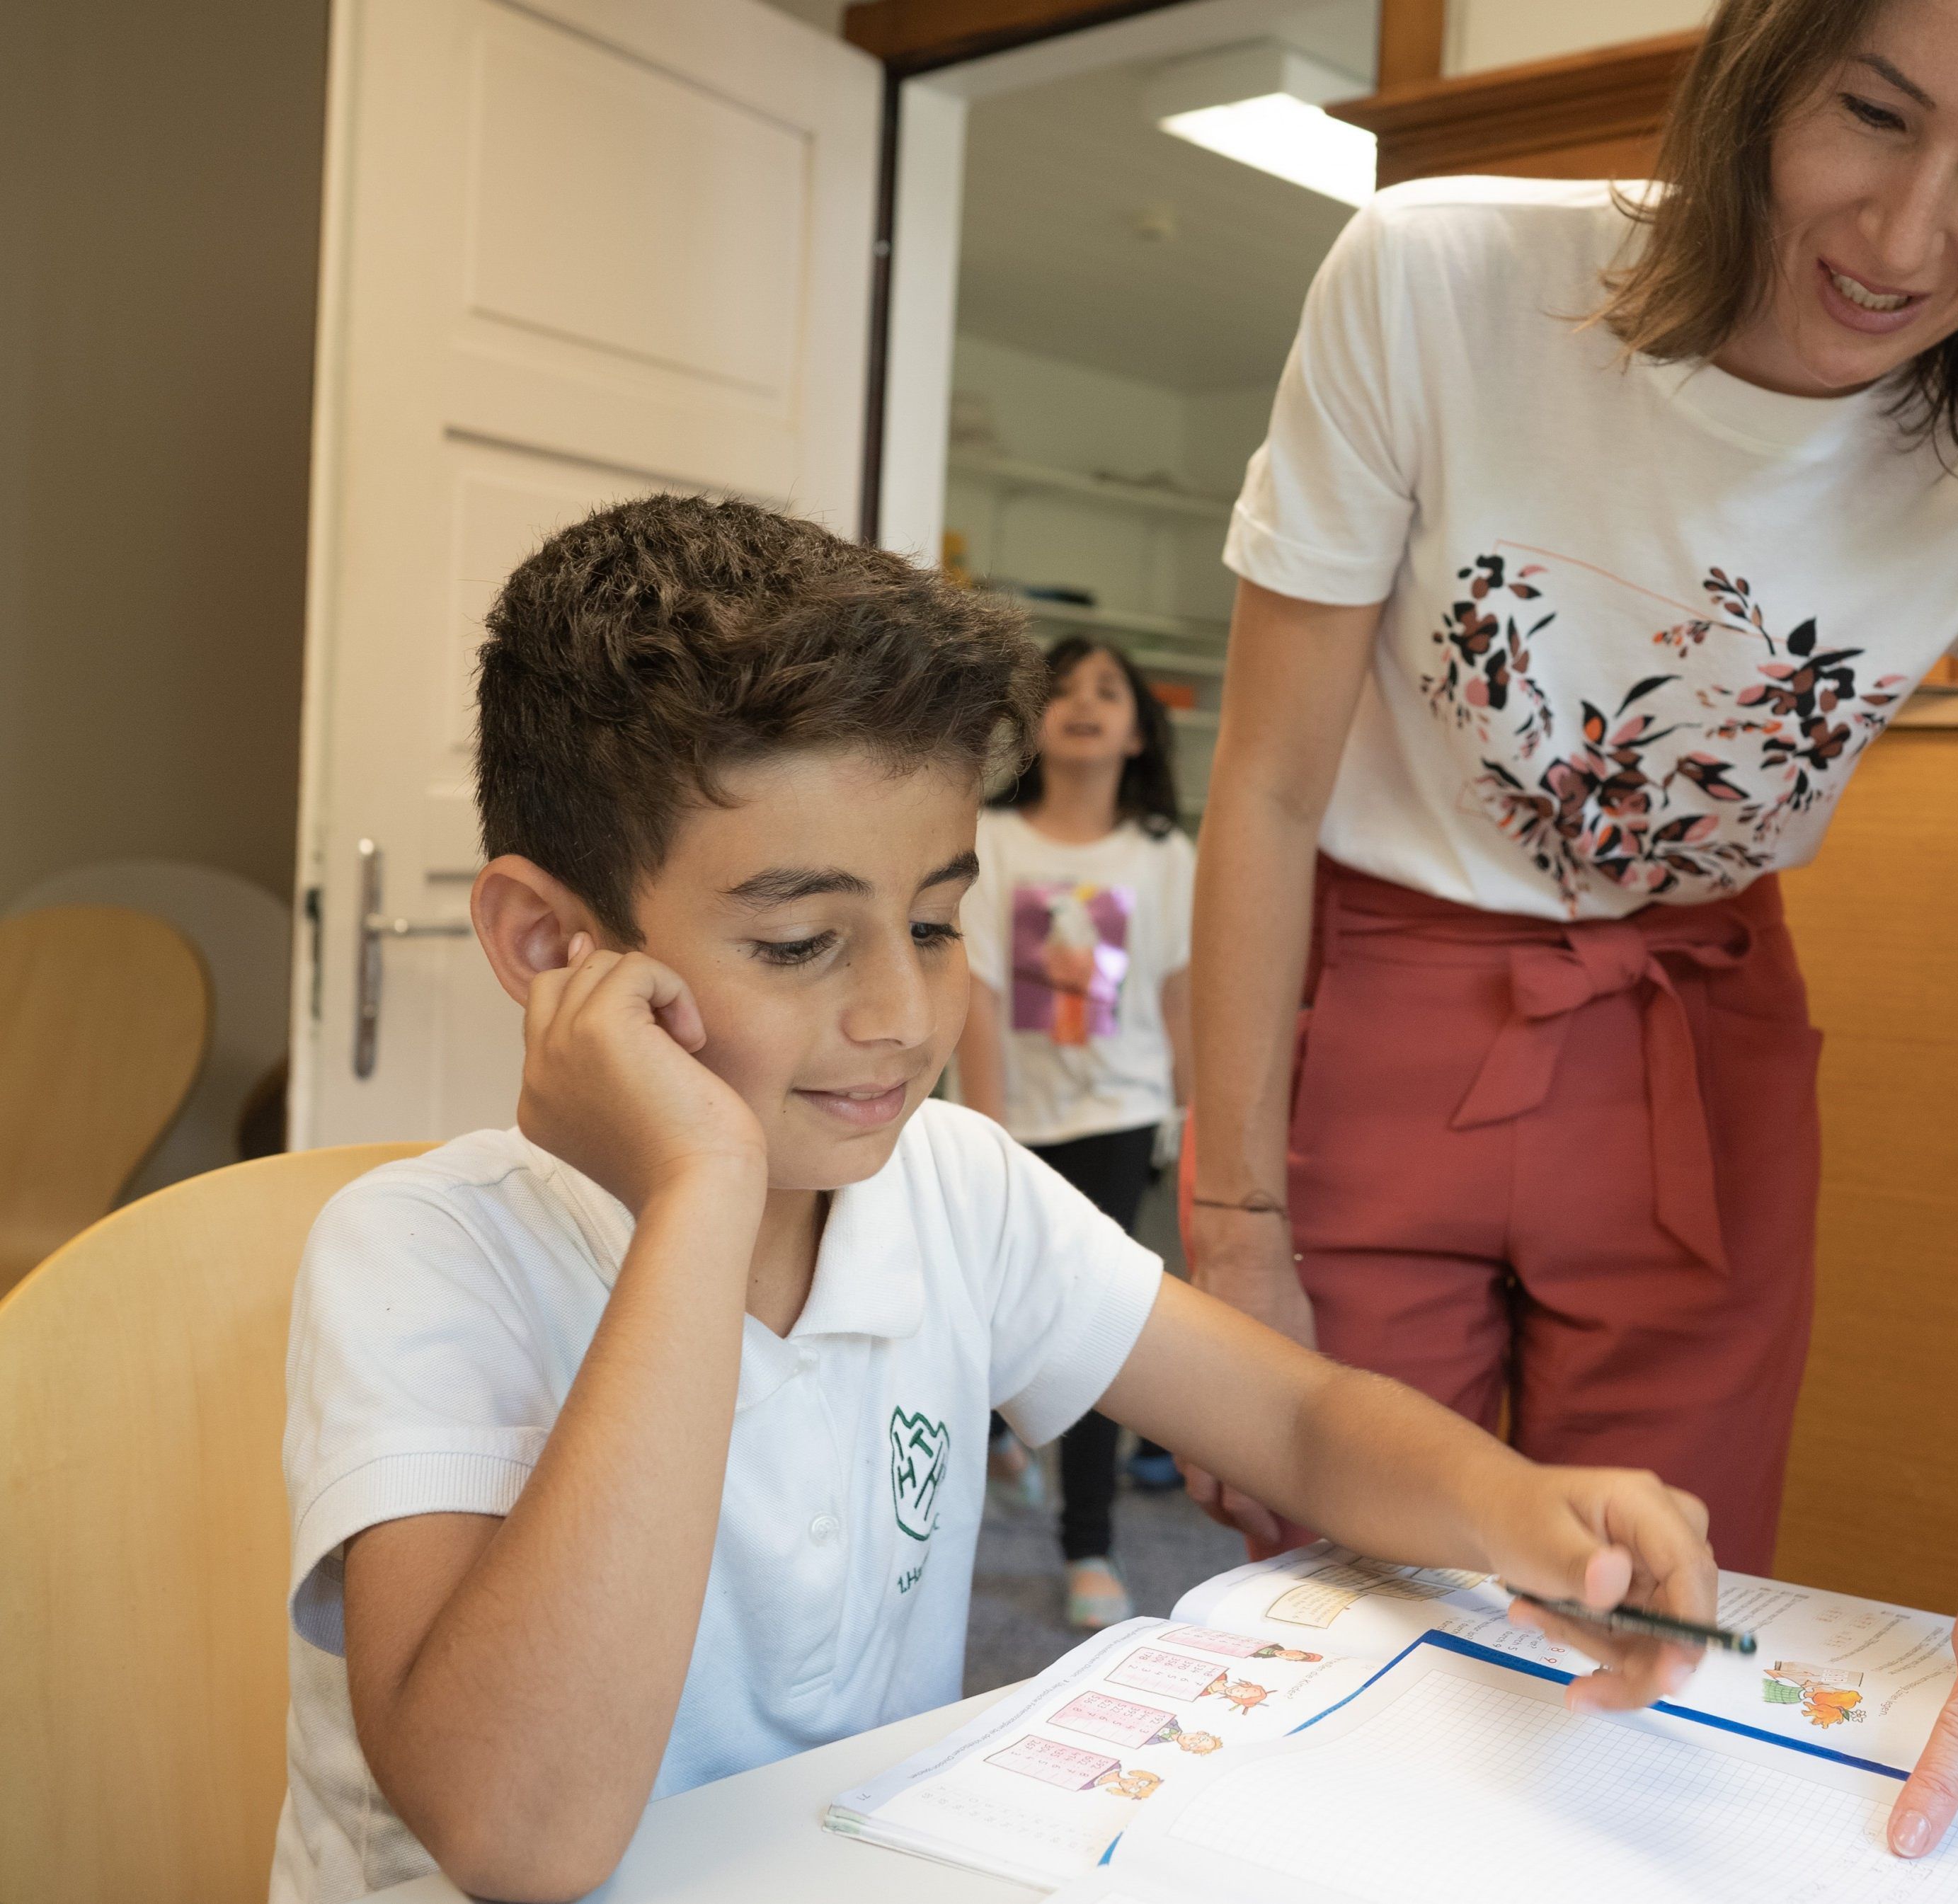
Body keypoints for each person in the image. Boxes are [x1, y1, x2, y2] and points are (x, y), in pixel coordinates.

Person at [268, 496, 1717, 1904]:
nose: (903, 1013)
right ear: (549, 943)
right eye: (795, 942)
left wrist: (1514, 1503)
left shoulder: (951, 1193)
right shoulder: (426, 1255)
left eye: (933, 923)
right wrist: (699, 1193)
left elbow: (1293, 1419)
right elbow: (522, 1839)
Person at [1185, 0, 1958, 1862]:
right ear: (1767, 62)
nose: (1904, 239)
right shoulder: (1438, 281)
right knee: (1359, 1599)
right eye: (1872, 118)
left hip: (1698, 1036)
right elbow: (1262, 786)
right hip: (1375, 998)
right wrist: (1229, 1226)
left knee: (1652, 1613)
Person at [954, 636, 1195, 1629]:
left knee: (1094, 1327)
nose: (1084, 703)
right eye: (1064, 689)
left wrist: (1190, 1115)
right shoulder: (993, 838)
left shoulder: (1160, 854)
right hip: (1010, 1116)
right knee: (982, 1310)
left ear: (1138, 729)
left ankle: (1088, 1542)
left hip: (1119, 1110)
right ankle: (997, 1439)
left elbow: (1181, 991)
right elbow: (971, 985)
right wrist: (985, 1120)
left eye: (1109, 690)